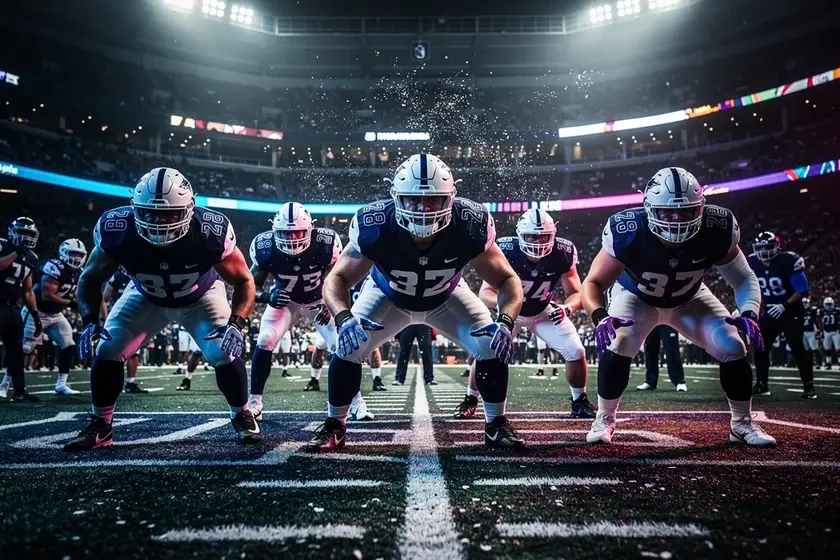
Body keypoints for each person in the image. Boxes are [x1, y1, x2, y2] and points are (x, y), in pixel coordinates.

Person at [308, 153, 526, 452]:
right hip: (388, 294)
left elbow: (508, 280)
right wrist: (344, 318)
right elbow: (336, 279)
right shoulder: (376, 225)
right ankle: (335, 425)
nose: (423, 208)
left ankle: (496, 424)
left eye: (433, 200)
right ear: (396, 197)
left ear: (450, 198)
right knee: (348, 345)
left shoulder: (470, 223)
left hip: (446, 295)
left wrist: (506, 320)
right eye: (413, 199)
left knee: (491, 344)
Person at [64, 167, 258, 450]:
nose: (159, 221)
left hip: (200, 296)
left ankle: (241, 412)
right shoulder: (117, 229)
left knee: (223, 351)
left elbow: (244, 280)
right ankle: (101, 425)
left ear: (190, 210)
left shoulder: (209, 232)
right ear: (134, 209)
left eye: (169, 214)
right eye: (149, 213)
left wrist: (236, 322)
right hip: (147, 296)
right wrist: (90, 320)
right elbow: (90, 277)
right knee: (108, 348)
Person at [581, 167, 775, 447]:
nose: (676, 219)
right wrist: (600, 317)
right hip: (637, 296)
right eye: (667, 212)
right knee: (620, 341)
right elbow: (593, 282)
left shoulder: (717, 227)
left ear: (700, 207)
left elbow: (744, 278)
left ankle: (741, 423)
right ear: (648, 209)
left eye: (686, 211)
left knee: (733, 346)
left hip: (690, 297)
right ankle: (605, 418)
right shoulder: (629, 230)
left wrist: (748, 312)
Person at [458, 209, 595, 419]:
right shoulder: (506, 250)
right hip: (510, 315)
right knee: (487, 353)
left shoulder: (563, 252)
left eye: (543, 236)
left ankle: (579, 400)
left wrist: (567, 308)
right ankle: (470, 398)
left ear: (553, 235)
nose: (537, 241)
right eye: (532, 236)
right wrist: (508, 306)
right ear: (520, 234)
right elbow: (485, 293)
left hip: (543, 312)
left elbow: (576, 292)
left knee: (576, 350)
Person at [246, 201, 341, 420]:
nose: (292, 239)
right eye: (286, 234)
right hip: (284, 301)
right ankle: (255, 403)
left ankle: (355, 402)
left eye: (298, 233)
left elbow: (340, 278)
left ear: (310, 230)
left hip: (318, 302)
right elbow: (250, 286)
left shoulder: (326, 244)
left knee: (340, 346)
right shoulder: (265, 247)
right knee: (265, 339)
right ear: (275, 231)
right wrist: (267, 297)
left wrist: (330, 301)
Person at [748, 231, 815, 398]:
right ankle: (762, 384)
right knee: (760, 347)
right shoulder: (752, 262)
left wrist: (785, 305)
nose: (763, 251)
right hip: (769, 310)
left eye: (767, 247)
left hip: (790, 309)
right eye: (760, 247)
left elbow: (802, 290)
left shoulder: (788, 260)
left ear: (777, 246)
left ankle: (809, 386)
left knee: (796, 346)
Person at [0, 217, 42, 402]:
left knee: (16, 352)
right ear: (12, 232)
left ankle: (19, 391)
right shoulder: (2, 245)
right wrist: (16, 252)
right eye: (22, 233)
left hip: (13, 308)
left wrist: (35, 314)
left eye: (29, 234)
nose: (26, 238)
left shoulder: (32, 258)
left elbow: (27, 290)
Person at [101, 267, 147, 393]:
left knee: (134, 352)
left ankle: (130, 383)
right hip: (118, 318)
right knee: (114, 352)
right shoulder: (116, 276)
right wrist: (106, 319)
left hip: (137, 318)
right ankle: (109, 383)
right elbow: (104, 300)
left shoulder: (142, 274)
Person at [637, 325, 687, 391]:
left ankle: (679, 381)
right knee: (650, 349)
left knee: (671, 349)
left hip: (667, 320)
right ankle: (650, 381)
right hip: (651, 319)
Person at [801, 298, 821, 368]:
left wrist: (818, 331)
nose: (804, 304)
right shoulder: (800, 311)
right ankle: (808, 363)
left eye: (806, 303)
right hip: (803, 332)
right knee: (805, 349)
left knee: (814, 348)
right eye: (803, 303)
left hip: (811, 332)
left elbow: (817, 320)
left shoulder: (812, 310)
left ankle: (818, 363)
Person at [821, 297, 840, 369]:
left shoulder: (837, 310)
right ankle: (828, 363)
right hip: (826, 332)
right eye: (827, 304)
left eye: (830, 304)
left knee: (838, 348)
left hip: (835, 331)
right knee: (827, 349)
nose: (828, 306)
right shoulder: (822, 311)